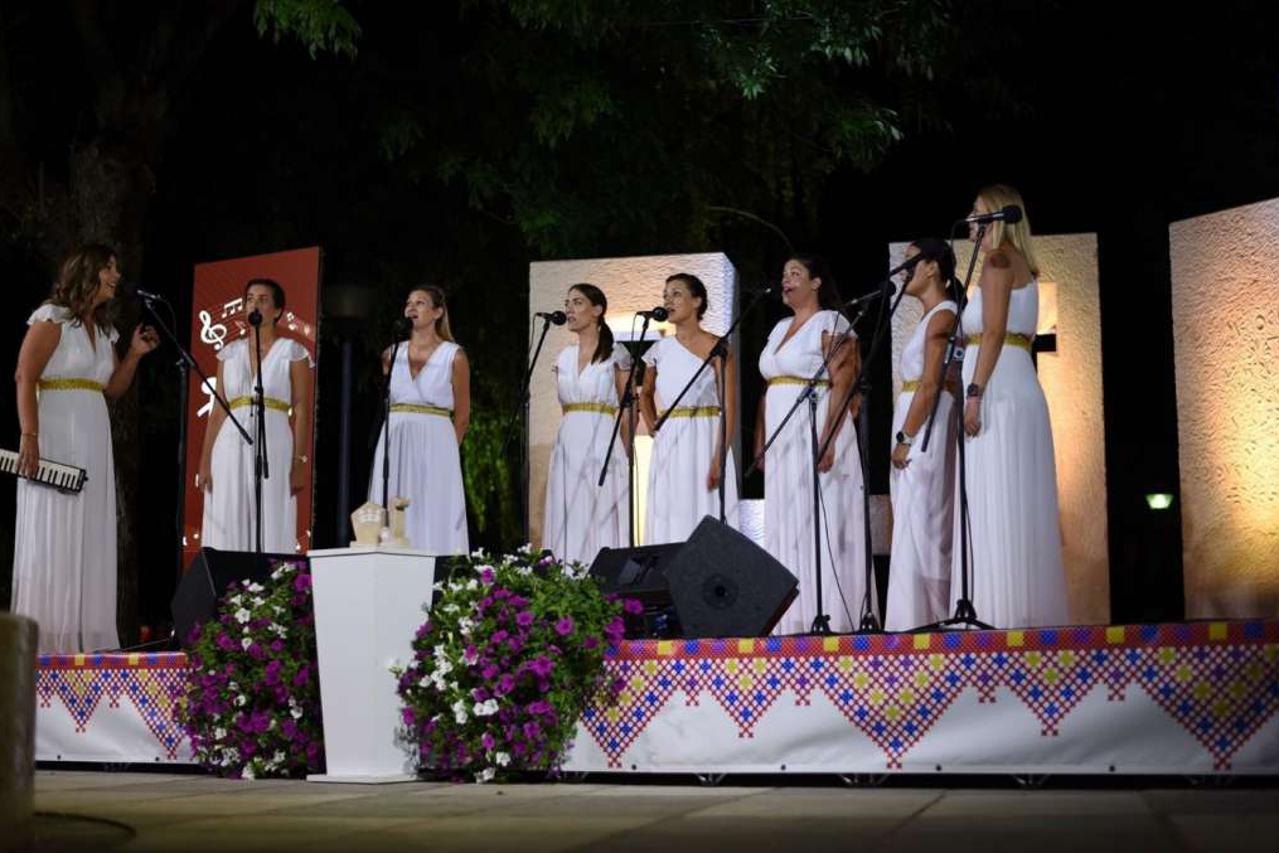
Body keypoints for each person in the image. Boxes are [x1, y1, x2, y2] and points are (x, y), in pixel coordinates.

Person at [12, 245, 158, 653]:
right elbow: (25, 375)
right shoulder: (53, 318)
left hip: (93, 436)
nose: (116, 276)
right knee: (56, 529)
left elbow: (112, 388)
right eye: (109, 268)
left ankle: (84, 643)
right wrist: (30, 435)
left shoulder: (103, 329)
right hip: (56, 435)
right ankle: (46, 644)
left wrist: (134, 355)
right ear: (88, 272)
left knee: (89, 530)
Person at [958, 184, 1068, 628]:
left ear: (996, 217)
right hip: (1018, 382)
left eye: (976, 212)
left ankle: (997, 618)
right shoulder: (1019, 264)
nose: (970, 220)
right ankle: (1018, 614)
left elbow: (994, 330)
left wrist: (974, 393)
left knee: (995, 500)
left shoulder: (997, 262)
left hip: (998, 388)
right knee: (1013, 500)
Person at [755, 256, 870, 634]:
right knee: (787, 517)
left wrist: (829, 437)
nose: (786, 280)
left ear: (816, 282)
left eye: (795, 274)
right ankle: (791, 616)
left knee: (819, 515)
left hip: (816, 427)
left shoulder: (831, 322)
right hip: (783, 435)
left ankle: (831, 612)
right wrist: (761, 439)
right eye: (783, 274)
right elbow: (769, 387)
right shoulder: (779, 328)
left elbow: (844, 380)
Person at [198, 278, 311, 554]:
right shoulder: (229, 353)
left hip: (274, 440)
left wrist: (299, 462)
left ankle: (268, 577)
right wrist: (205, 461)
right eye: (249, 299)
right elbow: (218, 410)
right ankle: (228, 578)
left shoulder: (292, 352)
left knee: (271, 513)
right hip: (229, 444)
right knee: (229, 512)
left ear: (277, 310)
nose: (254, 304)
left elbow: (301, 408)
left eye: (263, 299)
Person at [883, 239, 959, 631]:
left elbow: (930, 384)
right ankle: (912, 621)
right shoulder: (929, 317)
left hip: (927, 425)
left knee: (926, 524)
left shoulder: (944, 315)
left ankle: (933, 622)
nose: (903, 269)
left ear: (932, 267)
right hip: (914, 418)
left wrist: (907, 438)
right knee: (910, 521)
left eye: (910, 261)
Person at [368, 286, 470, 553]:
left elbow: (462, 416)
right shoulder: (391, 355)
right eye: (408, 302)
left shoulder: (454, 356)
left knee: (431, 506)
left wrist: (447, 455)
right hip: (396, 437)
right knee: (394, 499)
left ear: (437, 312)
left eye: (420, 303)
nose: (411, 307)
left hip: (436, 439)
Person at [638, 273, 739, 543]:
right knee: (671, 510)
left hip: (705, 435)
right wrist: (653, 426)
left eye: (676, 294)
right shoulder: (659, 349)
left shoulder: (718, 347)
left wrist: (719, 456)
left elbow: (729, 406)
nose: (668, 301)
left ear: (697, 301)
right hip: (670, 439)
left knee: (704, 506)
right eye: (665, 295)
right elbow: (645, 393)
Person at [542, 283, 631, 565]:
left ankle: (602, 573)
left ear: (597, 310)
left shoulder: (616, 354)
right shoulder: (564, 357)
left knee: (599, 506)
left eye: (577, 302)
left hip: (602, 438)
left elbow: (629, 409)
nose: (569, 309)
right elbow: (565, 407)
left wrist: (625, 453)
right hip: (569, 441)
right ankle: (567, 572)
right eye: (567, 303)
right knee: (569, 508)